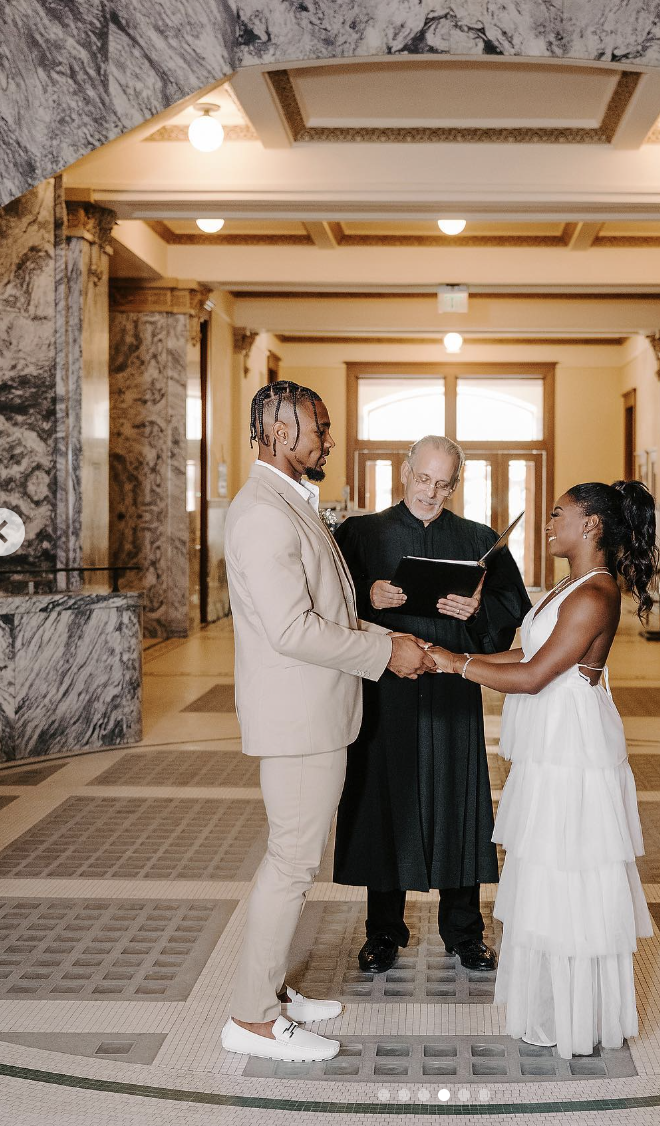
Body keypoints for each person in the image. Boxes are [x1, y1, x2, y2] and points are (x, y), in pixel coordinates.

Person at [220, 381, 435, 1064]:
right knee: (289, 863)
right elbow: (291, 629)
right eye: (320, 428)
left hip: (317, 711)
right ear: (280, 435)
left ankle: (272, 994)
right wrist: (384, 650)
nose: (328, 440)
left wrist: (390, 639)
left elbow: (331, 612)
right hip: (298, 720)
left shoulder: (290, 502)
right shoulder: (262, 512)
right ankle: (251, 1020)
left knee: (292, 860)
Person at [429, 480, 657, 1059]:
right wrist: (446, 660)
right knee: (548, 872)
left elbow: (534, 677)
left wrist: (457, 665)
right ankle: (554, 1004)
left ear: (592, 526)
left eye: (560, 513)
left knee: (569, 874)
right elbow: (528, 655)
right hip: (552, 745)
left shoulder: (596, 594)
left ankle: (578, 1016)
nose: (549, 521)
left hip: (572, 752)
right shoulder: (570, 586)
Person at [333, 435, 531, 974]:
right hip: (383, 690)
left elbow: (514, 608)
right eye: (423, 479)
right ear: (404, 472)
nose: (431, 492)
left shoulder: (478, 538)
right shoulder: (361, 533)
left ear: (455, 485)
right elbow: (320, 601)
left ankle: (465, 932)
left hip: (451, 690)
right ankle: (384, 932)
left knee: (458, 802)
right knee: (385, 802)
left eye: (444, 484)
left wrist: (476, 607)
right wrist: (366, 595)